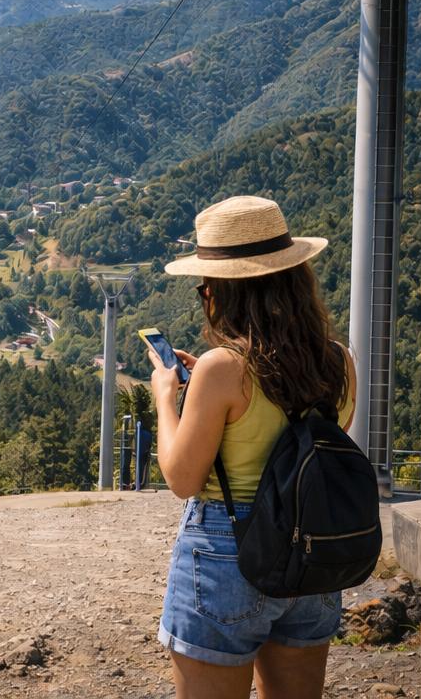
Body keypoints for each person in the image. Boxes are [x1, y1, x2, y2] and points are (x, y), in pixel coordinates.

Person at [148, 196, 357, 699]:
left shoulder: (223, 368)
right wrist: (210, 389)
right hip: (313, 551)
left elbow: (182, 479)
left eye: (205, 287)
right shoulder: (338, 359)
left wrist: (167, 399)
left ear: (225, 289)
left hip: (228, 549)